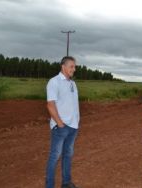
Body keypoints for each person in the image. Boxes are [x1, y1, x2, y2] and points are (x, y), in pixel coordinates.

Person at [45, 56, 80, 188]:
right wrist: (60, 124)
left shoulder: (72, 83)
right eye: (71, 66)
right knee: (54, 157)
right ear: (63, 67)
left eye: (74, 67)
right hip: (61, 127)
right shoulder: (54, 82)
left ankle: (66, 183)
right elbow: (50, 105)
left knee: (67, 155)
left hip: (73, 126)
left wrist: (76, 122)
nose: (74, 69)